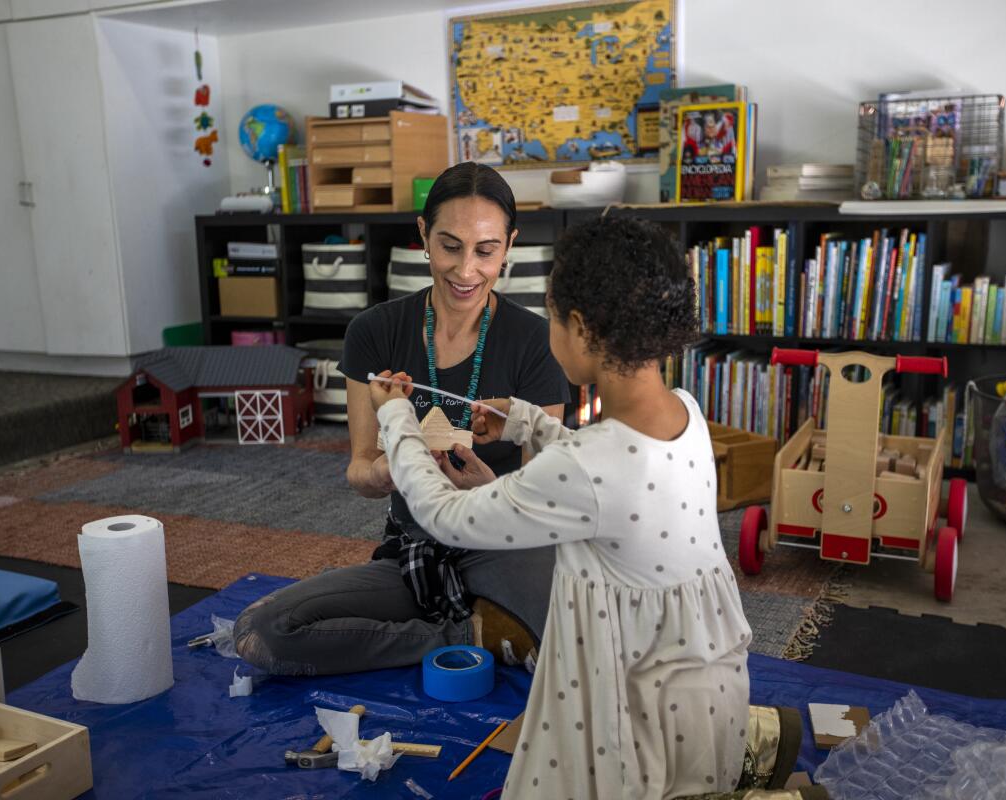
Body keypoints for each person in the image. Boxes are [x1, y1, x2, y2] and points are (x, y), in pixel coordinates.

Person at [370, 216, 753, 798]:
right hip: (701, 675)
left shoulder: (586, 467)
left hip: (631, 695)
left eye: (551, 315)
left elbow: (444, 514)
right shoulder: (684, 410)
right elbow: (608, 476)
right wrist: (525, 420)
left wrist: (396, 417)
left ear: (579, 327)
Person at [233, 162, 570, 675]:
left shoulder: (535, 342)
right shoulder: (374, 332)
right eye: (449, 245)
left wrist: (485, 491)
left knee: (588, 645)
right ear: (423, 235)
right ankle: (464, 632)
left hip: (506, 546)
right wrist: (396, 469)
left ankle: (495, 622)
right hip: (416, 549)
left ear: (509, 246)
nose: (465, 271)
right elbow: (361, 473)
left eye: (486, 250)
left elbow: (546, 503)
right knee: (264, 634)